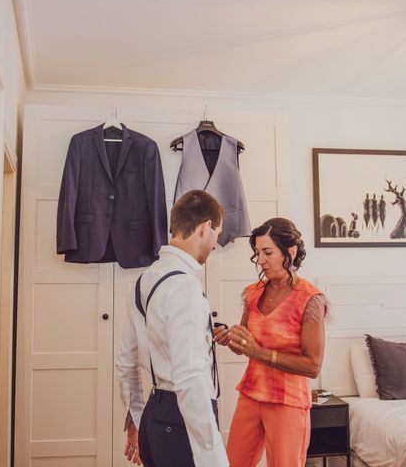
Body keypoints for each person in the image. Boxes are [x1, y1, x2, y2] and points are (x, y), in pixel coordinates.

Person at [115, 190, 229, 467]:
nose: (216, 243)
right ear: (205, 228)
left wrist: (140, 421)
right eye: (218, 233)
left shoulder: (145, 280)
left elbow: (125, 363)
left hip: (156, 416)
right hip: (182, 422)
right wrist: (212, 457)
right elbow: (190, 376)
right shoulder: (184, 287)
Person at [214, 217, 328, 467]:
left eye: (267, 252)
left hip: (287, 402)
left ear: (291, 251)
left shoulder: (310, 299)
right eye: (257, 253)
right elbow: (246, 345)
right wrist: (228, 340)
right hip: (251, 395)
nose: (261, 260)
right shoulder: (253, 293)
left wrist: (259, 352)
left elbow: (312, 366)